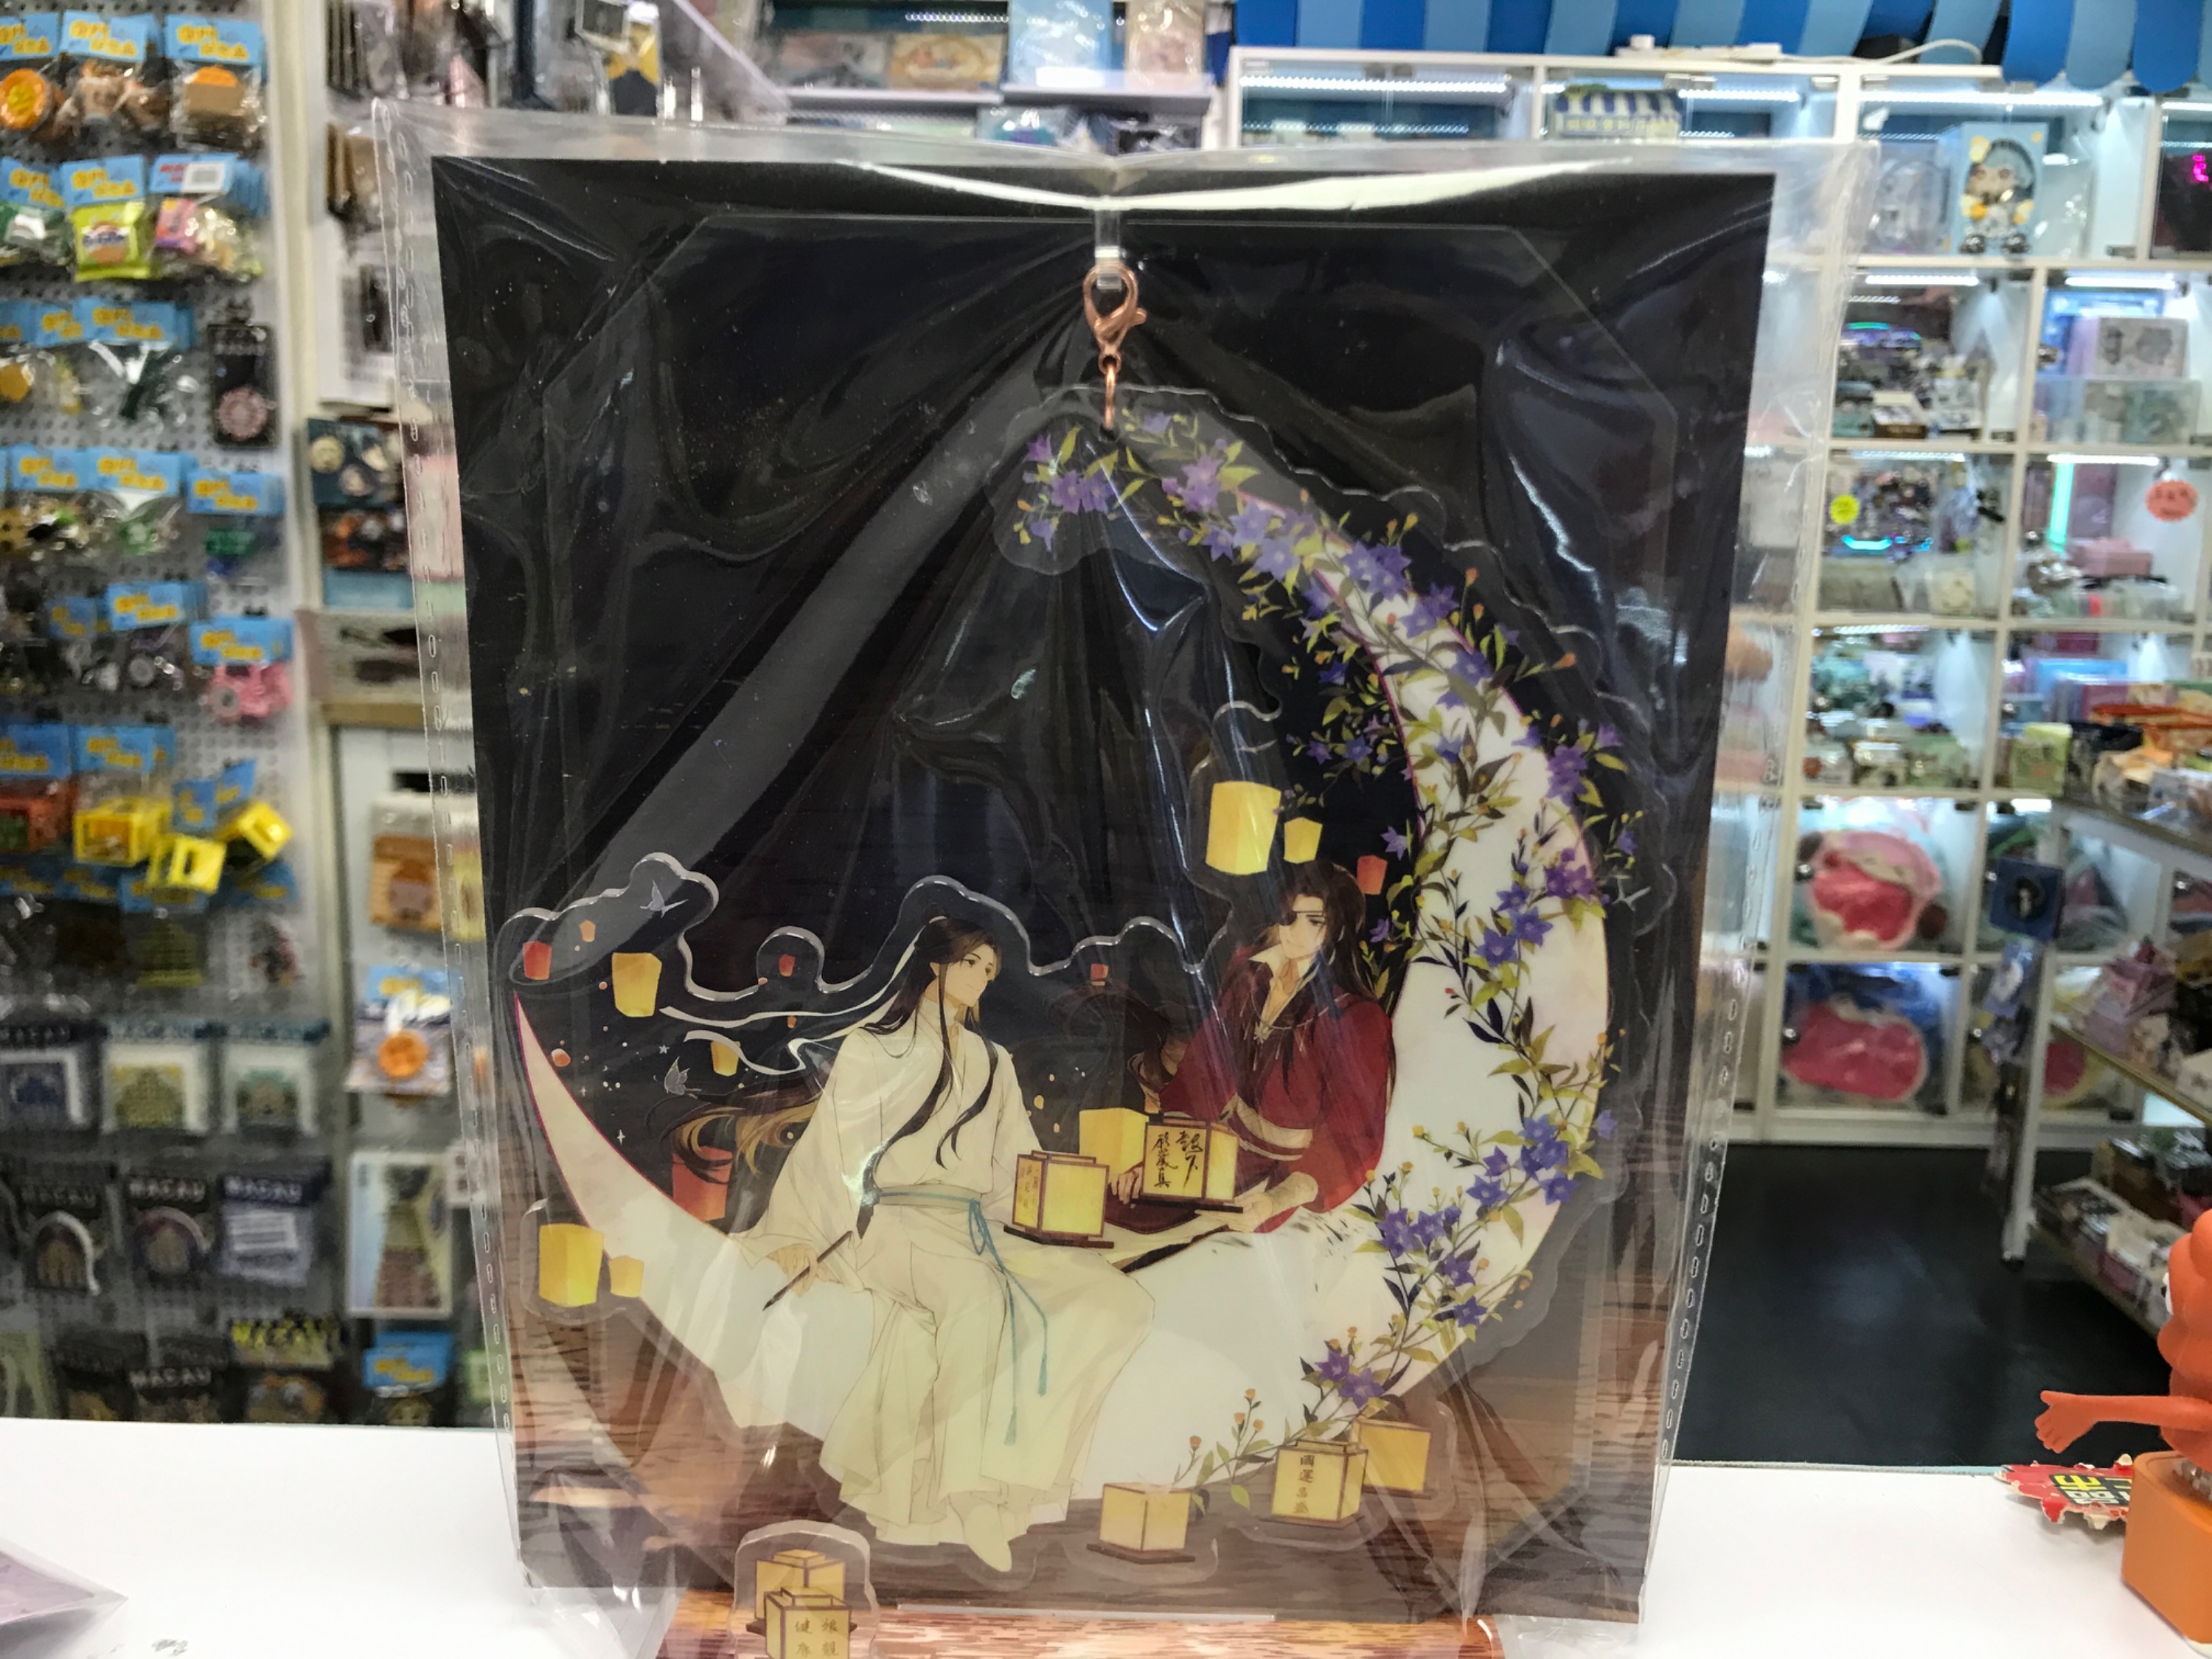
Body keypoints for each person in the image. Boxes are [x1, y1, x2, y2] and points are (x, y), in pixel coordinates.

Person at [741, 914, 1152, 1572]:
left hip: (977, 1228)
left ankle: (1027, 1468)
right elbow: (833, 1152)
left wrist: (1078, 1215)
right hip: (896, 1224)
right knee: (976, 1295)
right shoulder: (872, 1048)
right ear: (935, 963)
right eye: (971, 962)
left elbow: (1018, 1170)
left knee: (1116, 1300)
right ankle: (969, 1489)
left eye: (990, 969)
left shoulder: (993, 1061)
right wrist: (797, 1235)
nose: (982, 976)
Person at [1116, 860, 1394, 1235]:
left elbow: (1352, 1137)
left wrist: (1277, 1199)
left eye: (1314, 921)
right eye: (1289, 917)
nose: (1295, 932)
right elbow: (1204, 1068)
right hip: (1221, 1150)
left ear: (1338, 929)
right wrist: (1156, 1163)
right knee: (1121, 1210)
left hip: (1294, 1177)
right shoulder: (1250, 974)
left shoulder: (1357, 1018)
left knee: (1199, 1242)